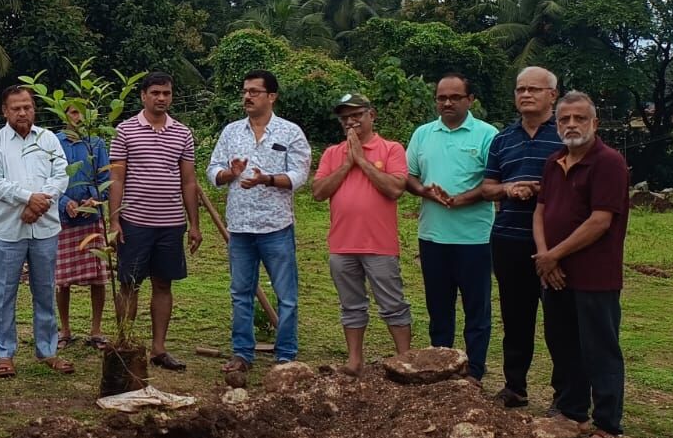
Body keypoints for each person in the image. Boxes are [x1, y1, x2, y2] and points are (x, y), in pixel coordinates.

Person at [534, 91, 630, 438]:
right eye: (564, 119)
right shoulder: (554, 160)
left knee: (599, 349)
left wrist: (553, 255)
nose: (571, 125)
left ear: (595, 122)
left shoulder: (609, 163)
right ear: (556, 124)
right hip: (554, 273)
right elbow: (540, 211)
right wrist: (545, 256)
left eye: (579, 118)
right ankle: (572, 413)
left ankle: (608, 425)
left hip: (594, 275)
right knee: (563, 345)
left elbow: (600, 221)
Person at [207, 69, 311, 377]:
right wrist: (230, 174)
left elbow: (299, 175)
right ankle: (242, 353)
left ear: (271, 96)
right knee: (240, 292)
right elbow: (213, 170)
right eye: (245, 91)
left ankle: (286, 355)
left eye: (254, 91)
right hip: (239, 227)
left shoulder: (290, 132)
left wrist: (267, 179)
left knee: (286, 295)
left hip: (276, 226)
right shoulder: (231, 132)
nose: (247, 96)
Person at [404, 73, 499, 380]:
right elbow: (409, 176)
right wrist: (424, 191)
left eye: (455, 97)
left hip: (475, 238)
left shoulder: (487, 135)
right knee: (439, 309)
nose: (447, 102)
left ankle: (474, 372)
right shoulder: (423, 134)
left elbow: (493, 183)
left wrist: (462, 199)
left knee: (477, 311)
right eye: (441, 97)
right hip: (432, 236)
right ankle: (441, 367)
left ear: (470, 100)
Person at [106, 73, 202, 369]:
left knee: (164, 284)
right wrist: (114, 221)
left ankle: (159, 348)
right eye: (156, 93)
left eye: (167, 93)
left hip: (171, 223)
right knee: (129, 284)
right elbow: (116, 178)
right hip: (134, 222)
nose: (162, 98)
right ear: (143, 96)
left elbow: (188, 181)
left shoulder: (182, 133)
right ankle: (125, 342)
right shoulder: (125, 130)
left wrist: (194, 224)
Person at [312, 93, 413, 375]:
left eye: (357, 115)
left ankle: (405, 360)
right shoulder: (333, 153)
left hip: (379, 244)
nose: (350, 121)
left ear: (372, 115)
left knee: (392, 304)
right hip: (342, 244)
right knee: (351, 305)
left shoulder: (391, 149)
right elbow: (319, 192)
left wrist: (362, 161)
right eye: (345, 117)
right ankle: (355, 361)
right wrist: (347, 162)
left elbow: (394, 188)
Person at [479, 66, 561, 407]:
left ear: (552, 95)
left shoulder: (565, 135)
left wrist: (542, 189)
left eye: (534, 90)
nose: (525, 95)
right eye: (520, 89)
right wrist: (509, 189)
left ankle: (565, 395)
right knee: (515, 317)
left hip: (557, 244)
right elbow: (487, 188)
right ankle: (514, 387)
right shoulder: (502, 139)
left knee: (559, 320)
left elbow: (578, 188)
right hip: (509, 239)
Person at [0, 85, 70, 378]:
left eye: (27, 107)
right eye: (16, 108)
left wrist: (39, 204)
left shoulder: (48, 140)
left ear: (35, 108)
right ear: (5, 111)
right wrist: (27, 198)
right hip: (9, 230)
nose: (22, 112)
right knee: (4, 292)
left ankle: (47, 350)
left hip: (44, 229)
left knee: (45, 290)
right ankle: (4, 354)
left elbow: (61, 176)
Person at [56, 104, 109, 349]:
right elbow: (48, 177)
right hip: (64, 220)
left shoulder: (96, 144)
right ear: (64, 115)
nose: (78, 118)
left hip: (91, 218)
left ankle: (96, 330)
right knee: (62, 279)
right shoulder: (54, 143)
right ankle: (64, 329)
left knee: (98, 277)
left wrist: (93, 198)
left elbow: (105, 178)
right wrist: (64, 201)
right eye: (73, 112)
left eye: (83, 113)